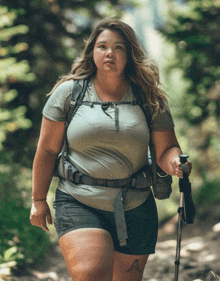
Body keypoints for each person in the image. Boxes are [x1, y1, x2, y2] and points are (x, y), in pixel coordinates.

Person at [30, 18, 192, 281]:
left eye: (118, 48)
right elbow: (47, 150)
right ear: (92, 52)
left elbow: (166, 150)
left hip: (136, 203)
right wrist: (38, 200)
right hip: (78, 199)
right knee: (90, 274)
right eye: (102, 46)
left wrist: (176, 163)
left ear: (129, 55)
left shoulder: (149, 97)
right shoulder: (69, 94)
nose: (110, 53)